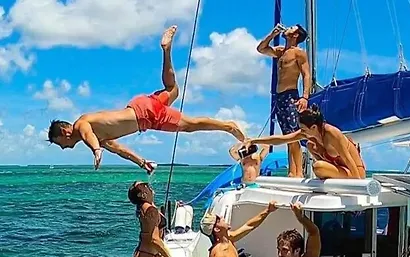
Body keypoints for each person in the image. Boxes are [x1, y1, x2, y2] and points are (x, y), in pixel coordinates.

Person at [47, 26, 246, 173]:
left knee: (190, 125)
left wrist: (96, 151)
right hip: (140, 105)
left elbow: (87, 133)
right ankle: (166, 50)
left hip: (146, 116)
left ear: (65, 132)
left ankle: (228, 126)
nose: (62, 148)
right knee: (173, 90)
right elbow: (119, 149)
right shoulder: (96, 133)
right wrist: (142, 162)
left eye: (59, 143)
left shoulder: (81, 124)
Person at [244, 105, 366, 179]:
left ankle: (333, 174)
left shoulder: (332, 133)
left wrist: (358, 183)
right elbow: (281, 139)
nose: (301, 131)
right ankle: (330, 174)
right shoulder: (309, 134)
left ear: (313, 127)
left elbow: (348, 159)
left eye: (303, 129)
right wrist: (253, 140)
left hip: (354, 171)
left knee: (318, 167)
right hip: (338, 169)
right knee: (310, 145)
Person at [257, 24, 311, 178]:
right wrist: (272, 34)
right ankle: (291, 172)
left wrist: (304, 97)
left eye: (292, 27)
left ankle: (298, 172)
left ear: (296, 35)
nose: (288, 28)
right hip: (279, 97)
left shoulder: (299, 53)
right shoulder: (280, 51)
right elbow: (261, 49)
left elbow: (306, 74)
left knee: (293, 135)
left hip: (291, 96)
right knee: (287, 135)